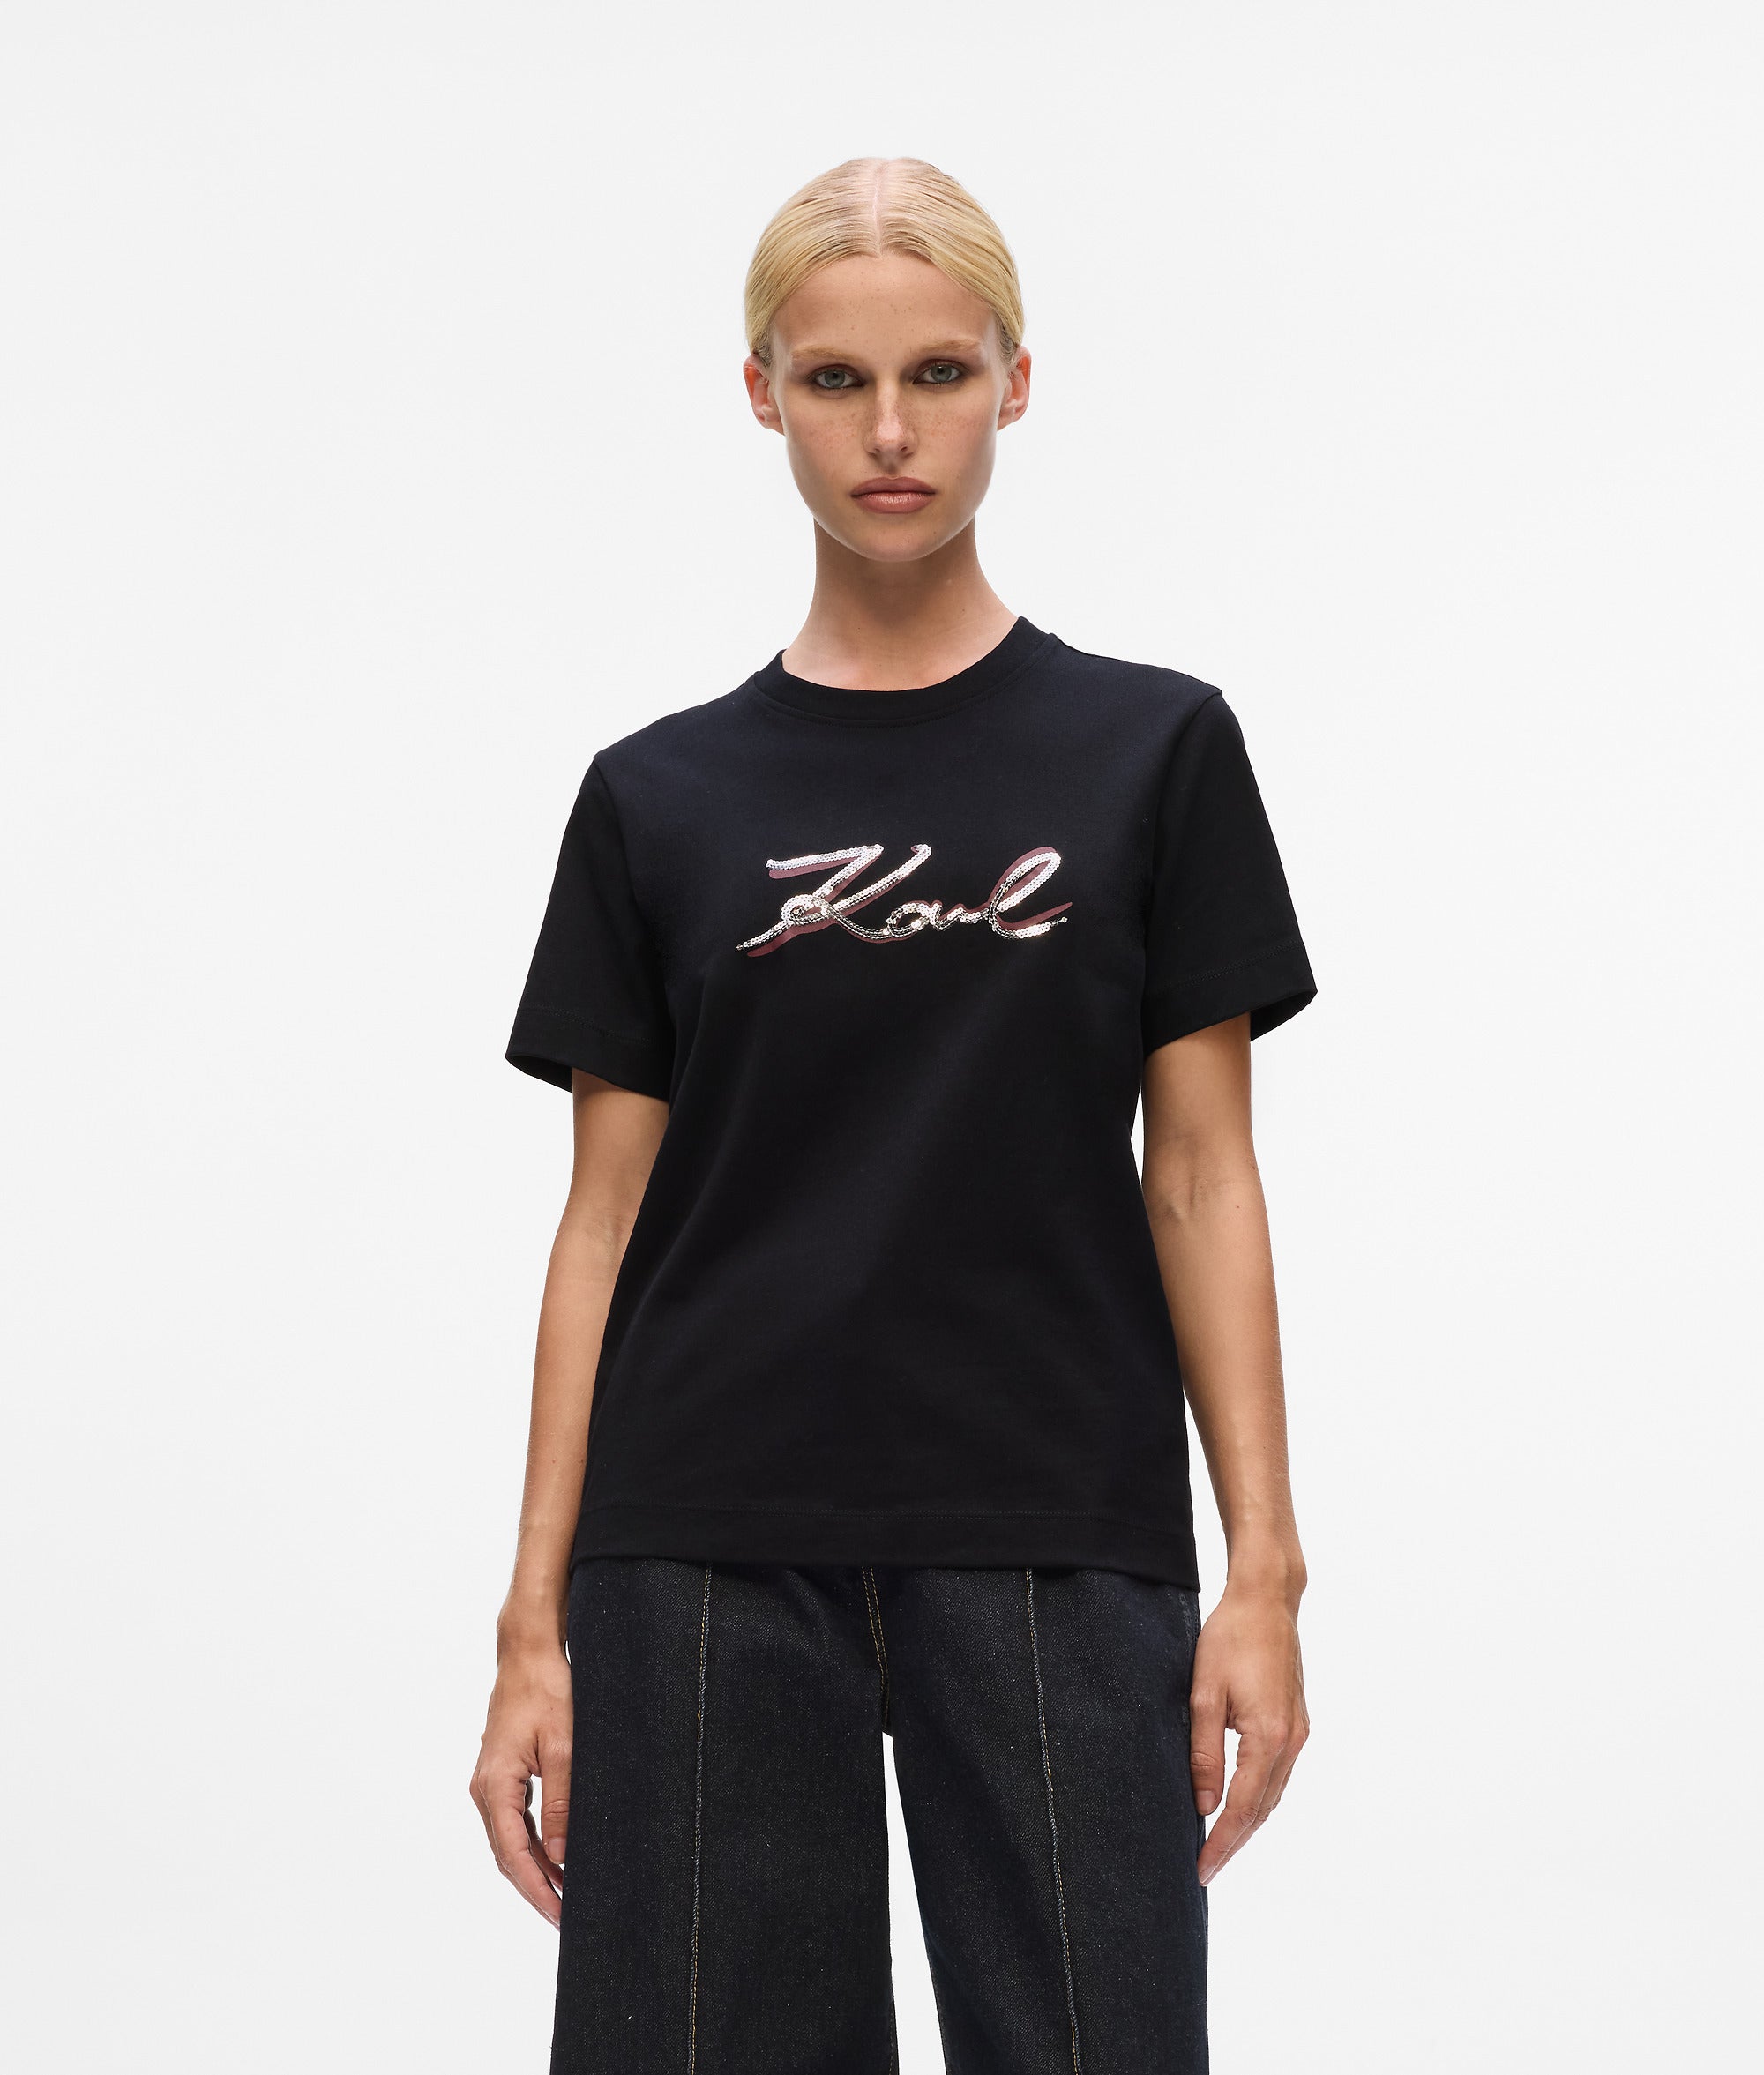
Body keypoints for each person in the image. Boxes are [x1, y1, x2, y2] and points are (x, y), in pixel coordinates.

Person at [471, 155, 1317, 2075]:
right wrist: (532, 1621)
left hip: (1052, 1517)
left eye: (937, 372)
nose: (889, 431)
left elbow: (1202, 1173)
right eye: (835, 379)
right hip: (702, 1539)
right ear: (760, 392)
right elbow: (603, 1222)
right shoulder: (657, 797)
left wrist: (1263, 1568)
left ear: (1015, 380)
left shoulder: (1155, 752)